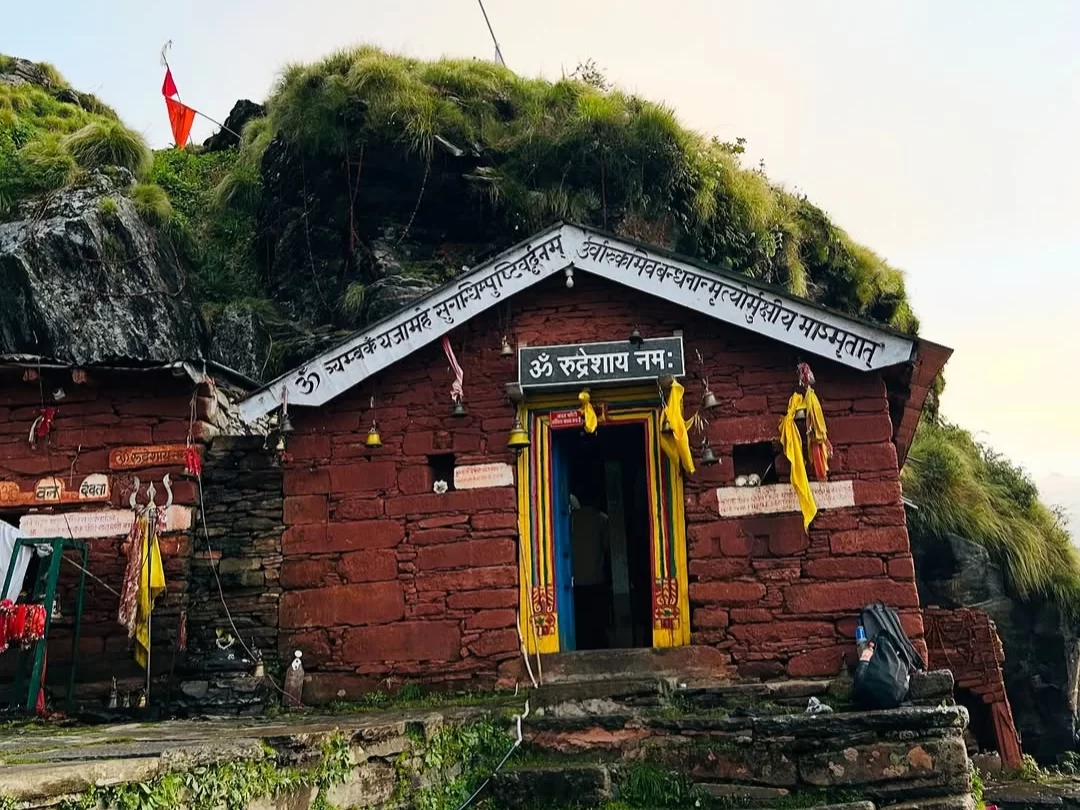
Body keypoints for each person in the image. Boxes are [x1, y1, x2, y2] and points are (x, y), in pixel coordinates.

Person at [570, 492, 610, 649]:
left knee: (580, 623)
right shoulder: (602, 519)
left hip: (575, 580)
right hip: (596, 579)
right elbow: (607, 549)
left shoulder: (568, 520)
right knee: (597, 624)